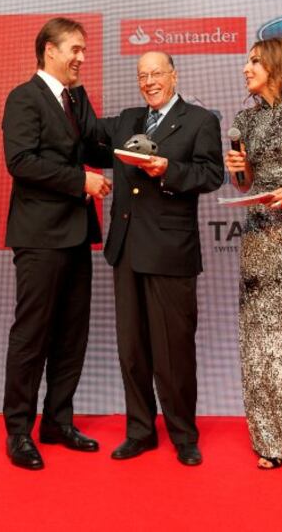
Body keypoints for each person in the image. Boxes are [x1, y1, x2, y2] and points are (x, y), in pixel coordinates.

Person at [73, 51, 224, 465]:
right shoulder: (127, 119)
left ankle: (183, 435)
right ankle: (140, 431)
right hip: (126, 250)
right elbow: (87, 135)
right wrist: (72, 86)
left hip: (171, 253)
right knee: (133, 350)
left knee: (174, 352)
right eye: (143, 75)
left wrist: (169, 170)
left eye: (157, 73)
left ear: (173, 75)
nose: (149, 81)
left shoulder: (200, 120)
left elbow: (212, 174)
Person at [2, 17, 112, 470]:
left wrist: (149, 149)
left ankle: (57, 421)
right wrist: (80, 181)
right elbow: (21, 162)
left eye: (84, 50)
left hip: (75, 235)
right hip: (39, 236)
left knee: (72, 334)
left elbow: (96, 149)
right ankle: (18, 432)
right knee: (32, 335)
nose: (82, 58)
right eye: (75, 49)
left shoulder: (76, 96)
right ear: (49, 50)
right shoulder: (23, 98)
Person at [225, 37, 282, 469]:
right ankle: (271, 441)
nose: (245, 69)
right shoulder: (244, 122)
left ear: (275, 65)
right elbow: (246, 185)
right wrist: (240, 175)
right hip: (261, 239)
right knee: (260, 342)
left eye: (254, 61)